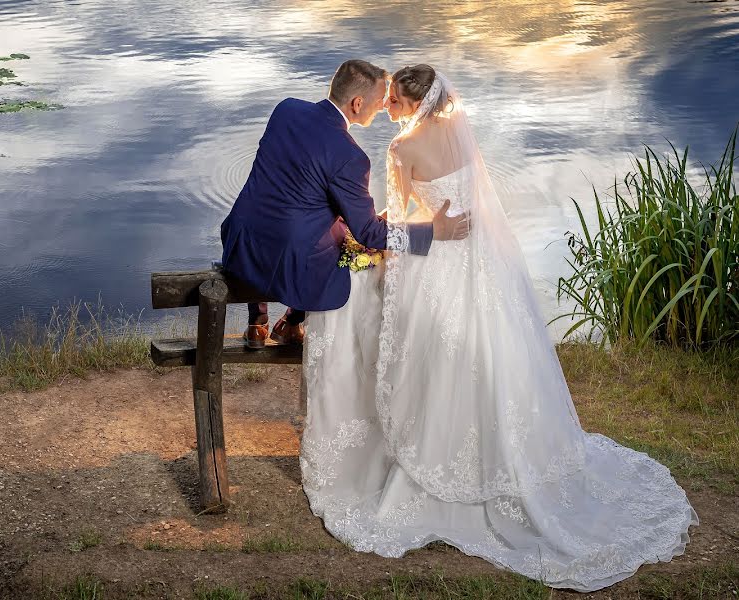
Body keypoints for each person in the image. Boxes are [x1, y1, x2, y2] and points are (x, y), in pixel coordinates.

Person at [299, 65, 699, 592]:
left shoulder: (401, 151)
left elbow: (398, 223)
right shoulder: (459, 133)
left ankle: (420, 451)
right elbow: (470, 205)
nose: (387, 107)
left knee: (408, 333)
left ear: (409, 103)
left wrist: (373, 258)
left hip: (435, 258)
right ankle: (507, 452)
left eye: (393, 99)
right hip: (484, 262)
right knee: (494, 349)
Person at [220, 60, 469, 349]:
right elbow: (369, 233)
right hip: (289, 258)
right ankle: (290, 321)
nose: (383, 108)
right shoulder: (350, 156)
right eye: (379, 101)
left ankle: (257, 323)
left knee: (322, 220)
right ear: (357, 103)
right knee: (348, 243)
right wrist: (431, 231)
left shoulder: (286, 109)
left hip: (241, 237)